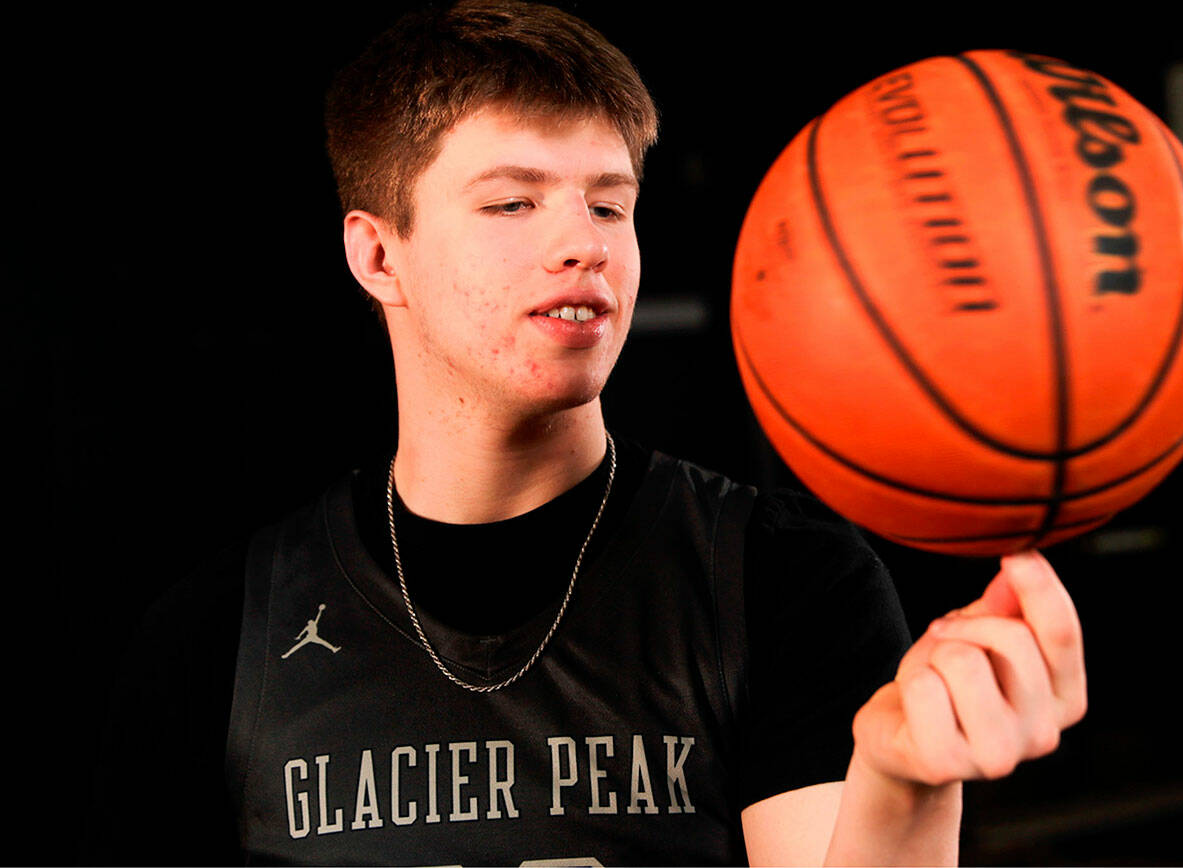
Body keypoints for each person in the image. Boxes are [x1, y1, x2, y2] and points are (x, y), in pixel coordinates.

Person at [86, 1, 1086, 865]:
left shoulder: (787, 578)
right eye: (513, 201)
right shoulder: (219, 636)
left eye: (611, 203)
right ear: (379, 255)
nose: (584, 244)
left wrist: (905, 785)